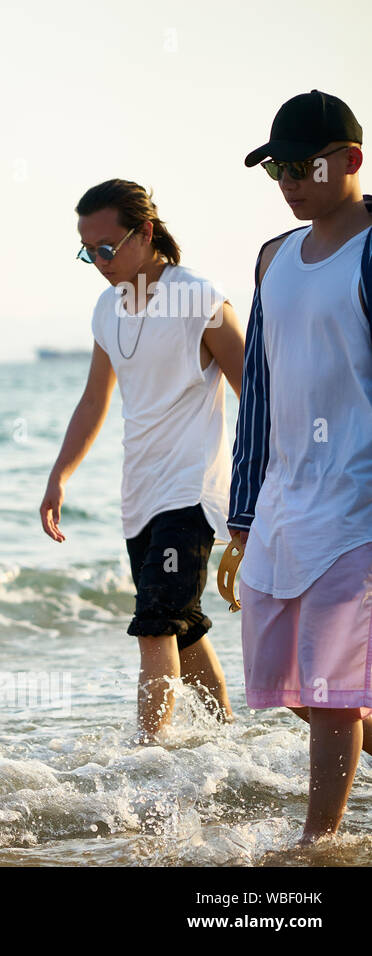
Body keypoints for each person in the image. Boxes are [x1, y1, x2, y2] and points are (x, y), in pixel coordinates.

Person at [41, 179, 244, 741]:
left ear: (145, 233)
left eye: (108, 248)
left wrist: (267, 486)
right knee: (182, 629)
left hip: (192, 491)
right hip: (140, 496)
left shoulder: (199, 297)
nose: (99, 262)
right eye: (89, 252)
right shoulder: (106, 308)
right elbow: (93, 401)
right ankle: (228, 741)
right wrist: (59, 475)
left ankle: (146, 759)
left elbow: (255, 390)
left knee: (154, 625)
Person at [230, 89, 372, 843]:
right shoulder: (272, 259)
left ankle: (317, 849)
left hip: (358, 508)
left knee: (331, 691)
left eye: (301, 166)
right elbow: (259, 391)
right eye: (276, 168)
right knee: (286, 682)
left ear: (349, 160)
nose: (288, 180)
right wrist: (244, 513)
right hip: (285, 505)